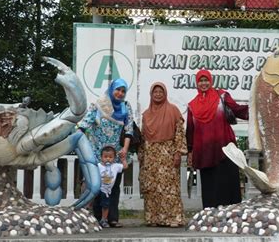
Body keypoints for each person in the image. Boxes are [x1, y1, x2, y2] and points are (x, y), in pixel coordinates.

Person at [186, 69, 248, 208]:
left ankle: (232, 213)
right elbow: (190, 130)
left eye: (206, 80)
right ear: (197, 83)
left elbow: (237, 110)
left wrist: (256, 109)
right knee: (210, 182)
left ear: (211, 81)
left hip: (225, 148)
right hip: (205, 150)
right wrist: (190, 151)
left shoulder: (222, 96)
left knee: (227, 180)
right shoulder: (192, 106)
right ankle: (211, 213)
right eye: (201, 81)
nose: (204, 83)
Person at [78, 78, 133, 227]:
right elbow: (84, 124)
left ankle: (112, 219)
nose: (120, 93)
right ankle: (95, 218)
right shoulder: (98, 105)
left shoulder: (126, 107)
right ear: (111, 89)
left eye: (123, 91)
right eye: (118, 89)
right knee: (95, 185)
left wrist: (125, 149)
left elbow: (129, 130)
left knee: (113, 187)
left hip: (116, 154)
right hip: (97, 155)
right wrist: (75, 141)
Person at [139, 82, 187, 227]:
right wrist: (141, 153)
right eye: (155, 92)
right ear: (151, 95)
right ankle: (153, 218)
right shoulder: (146, 114)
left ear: (165, 93)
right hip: (150, 154)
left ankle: (173, 218)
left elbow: (179, 133)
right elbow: (142, 136)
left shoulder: (173, 110)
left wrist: (178, 152)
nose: (158, 94)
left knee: (169, 187)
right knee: (151, 187)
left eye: (161, 92)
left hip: (168, 152)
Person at [96, 145, 128, 228]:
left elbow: (125, 167)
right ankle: (95, 218)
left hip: (107, 191)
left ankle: (104, 219)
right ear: (101, 157)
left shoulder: (115, 166)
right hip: (98, 189)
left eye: (110, 157)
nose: (108, 159)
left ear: (114, 158)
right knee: (96, 204)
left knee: (106, 205)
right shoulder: (98, 166)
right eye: (105, 157)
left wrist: (123, 160)